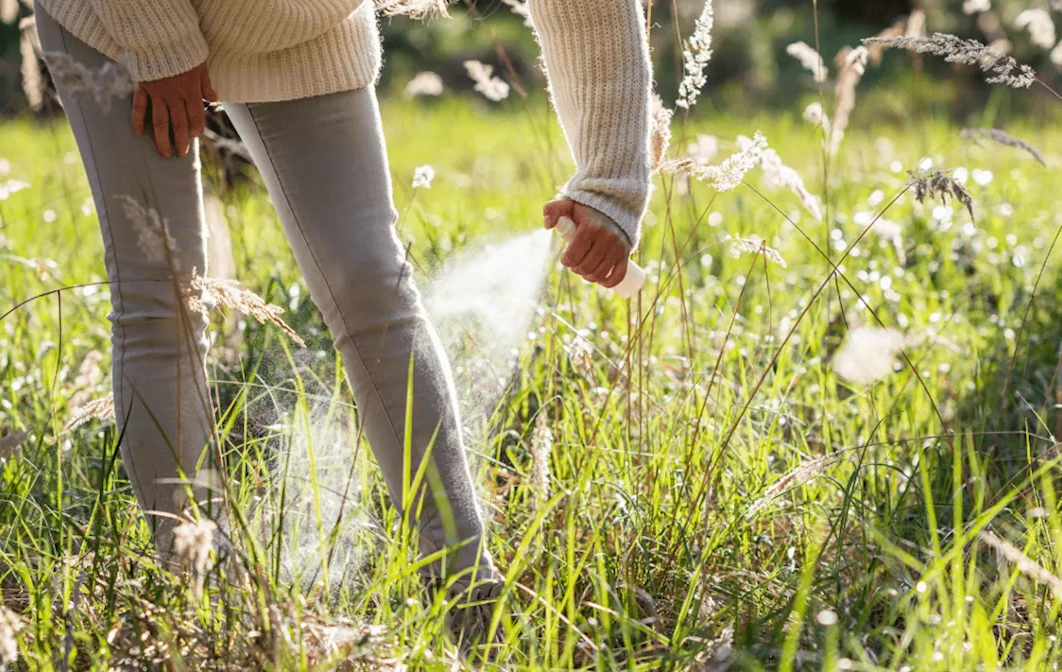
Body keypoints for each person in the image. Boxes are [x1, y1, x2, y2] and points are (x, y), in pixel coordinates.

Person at [32, 0, 651, 645]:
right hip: (122, 21)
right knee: (165, 295)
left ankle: (467, 588)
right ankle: (211, 602)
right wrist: (157, 42)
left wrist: (610, 182)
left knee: (369, 278)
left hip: (299, 23)